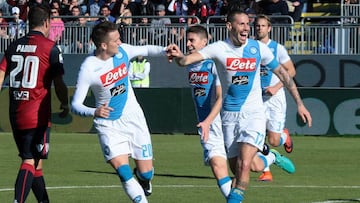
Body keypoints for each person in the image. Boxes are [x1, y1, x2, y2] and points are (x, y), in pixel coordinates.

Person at [167, 10, 312, 203]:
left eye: (247, 24)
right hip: (229, 117)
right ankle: (270, 158)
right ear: (229, 26)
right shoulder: (218, 48)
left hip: (253, 114)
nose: (246, 28)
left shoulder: (259, 48)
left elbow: (284, 74)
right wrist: (178, 56)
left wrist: (300, 104)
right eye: (241, 24)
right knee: (246, 166)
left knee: (243, 166)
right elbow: (186, 61)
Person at [71, 21, 168, 203]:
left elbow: (146, 50)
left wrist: (165, 51)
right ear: (103, 45)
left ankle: (143, 178)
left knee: (147, 172)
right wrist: (95, 111)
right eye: (115, 40)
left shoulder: (123, 51)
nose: (120, 42)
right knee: (122, 171)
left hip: (133, 117)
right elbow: (75, 104)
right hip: (108, 124)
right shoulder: (89, 67)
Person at [0, 5, 69, 203]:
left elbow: (1, 74)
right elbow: (59, 83)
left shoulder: (13, 45)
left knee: (35, 164)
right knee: (30, 160)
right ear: (47, 22)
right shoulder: (50, 47)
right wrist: (64, 104)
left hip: (16, 113)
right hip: (36, 115)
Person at [181, 24, 232, 199]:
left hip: (222, 120)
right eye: (187, 40)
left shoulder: (214, 64)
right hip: (206, 123)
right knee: (217, 165)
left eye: (191, 40)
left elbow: (220, 97)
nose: (188, 44)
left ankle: (269, 156)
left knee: (250, 165)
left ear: (204, 43)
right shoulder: (190, 64)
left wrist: (209, 120)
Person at [255, 14, 296, 182]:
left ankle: (284, 137)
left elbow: (291, 71)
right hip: (256, 99)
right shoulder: (251, 47)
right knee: (256, 137)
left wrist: (276, 87)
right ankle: (266, 171)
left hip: (275, 98)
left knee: (274, 140)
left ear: (269, 28)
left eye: (263, 26)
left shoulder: (277, 48)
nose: (259, 28)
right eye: (257, 26)